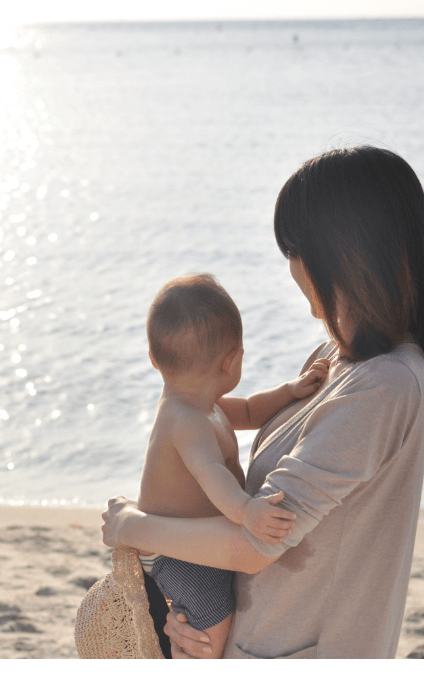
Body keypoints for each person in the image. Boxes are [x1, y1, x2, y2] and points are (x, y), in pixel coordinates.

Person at [102, 146, 424, 659]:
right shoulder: (336, 358)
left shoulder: (387, 386)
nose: (290, 267)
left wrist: (132, 527)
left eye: (295, 248)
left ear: (344, 253)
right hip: (253, 643)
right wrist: (199, 624)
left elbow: (255, 545)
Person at [135, 273, 330, 658]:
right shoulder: (185, 420)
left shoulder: (202, 405)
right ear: (233, 360)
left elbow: (249, 409)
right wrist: (247, 511)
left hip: (192, 537)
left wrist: (289, 391)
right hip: (174, 549)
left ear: (154, 358)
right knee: (215, 619)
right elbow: (212, 475)